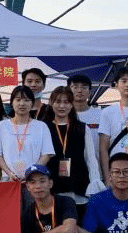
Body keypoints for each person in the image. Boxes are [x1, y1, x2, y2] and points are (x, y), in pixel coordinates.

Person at [42, 85, 103, 218]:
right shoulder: (44, 128)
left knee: (79, 220)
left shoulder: (82, 128)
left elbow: (90, 158)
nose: (62, 106)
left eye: (66, 102)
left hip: (78, 185)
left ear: (72, 104)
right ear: (51, 103)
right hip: (53, 186)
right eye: (58, 102)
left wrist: (94, 182)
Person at [0, 86, 53, 182]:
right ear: (12, 102)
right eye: (18, 100)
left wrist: (31, 173)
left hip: (34, 180)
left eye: (26, 100)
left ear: (32, 103)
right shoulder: (2, 126)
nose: (22, 104)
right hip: (9, 180)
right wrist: (9, 173)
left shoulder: (41, 126)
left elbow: (47, 154)